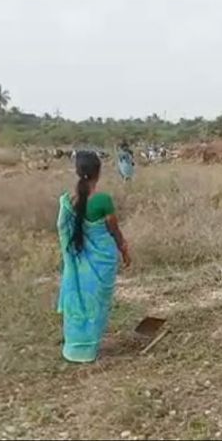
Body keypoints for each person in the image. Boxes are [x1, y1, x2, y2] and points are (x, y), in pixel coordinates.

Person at [57, 151, 131, 363]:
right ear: (98, 172)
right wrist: (124, 249)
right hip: (103, 261)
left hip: (78, 263)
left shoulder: (68, 201)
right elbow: (114, 230)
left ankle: (76, 348)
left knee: (78, 303)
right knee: (97, 304)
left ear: (77, 172)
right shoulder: (103, 200)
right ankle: (91, 348)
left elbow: (65, 229)